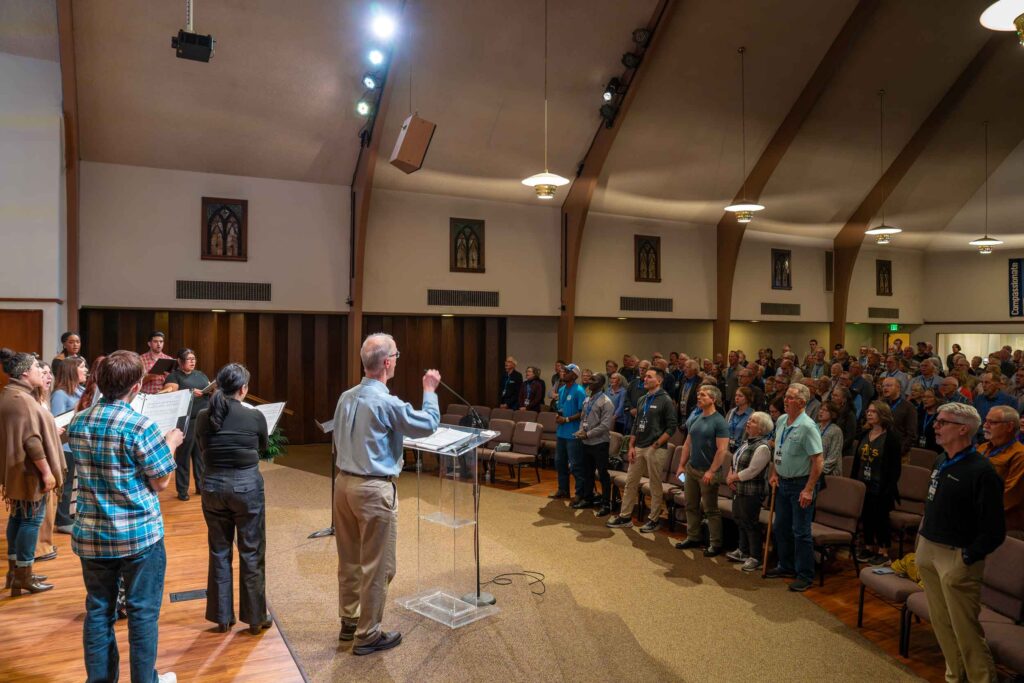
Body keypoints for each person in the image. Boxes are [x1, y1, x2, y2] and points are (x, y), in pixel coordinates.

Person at [68, 351, 183, 683]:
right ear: (136, 386)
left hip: (92, 534)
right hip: (138, 535)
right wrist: (171, 442)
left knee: (99, 611)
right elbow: (160, 481)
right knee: (142, 613)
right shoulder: (140, 425)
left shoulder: (80, 421)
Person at [332, 334, 440, 655]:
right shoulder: (387, 402)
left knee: (350, 559)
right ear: (388, 363)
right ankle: (368, 634)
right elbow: (429, 423)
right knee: (379, 566)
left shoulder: (345, 397)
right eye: (396, 354)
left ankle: (349, 621)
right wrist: (430, 391)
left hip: (343, 485)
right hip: (373, 488)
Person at [917, 402, 1005, 683]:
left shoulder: (982, 471)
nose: (936, 426)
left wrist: (968, 557)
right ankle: (954, 676)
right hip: (929, 549)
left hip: (957, 557)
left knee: (965, 630)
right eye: (937, 421)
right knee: (942, 625)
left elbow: (994, 530)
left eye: (943, 422)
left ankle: (981, 679)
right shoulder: (942, 460)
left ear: (963, 429)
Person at [196, 363, 270, 634]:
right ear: (243, 389)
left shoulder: (205, 416)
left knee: (219, 550)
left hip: (213, 488)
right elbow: (262, 448)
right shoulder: (255, 416)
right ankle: (254, 618)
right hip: (246, 488)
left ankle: (221, 617)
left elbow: (202, 448)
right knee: (251, 551)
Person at [1, 350, 62, 594]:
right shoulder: (22, 400)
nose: (42, 372)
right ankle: (24, 574)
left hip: (18, 470)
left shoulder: (11, 394)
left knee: (18, 518)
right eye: (38, 368)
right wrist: (47, 473)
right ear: (25, 373)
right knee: (30, 520)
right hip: (29, 472)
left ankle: (15, 573)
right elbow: (32, 441)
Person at [764, 383, 824, 592]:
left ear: (802, 402)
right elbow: (777, 450)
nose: (785, 401)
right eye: (786, 397)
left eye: (790, 398)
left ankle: (805, 575)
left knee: (800, 531)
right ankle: (786, 565)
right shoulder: (781, 420)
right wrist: (773, 472)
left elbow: (818, 461)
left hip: (801, 484)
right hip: (782, 482)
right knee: (781, 527)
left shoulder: (808, 426)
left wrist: (808, 489)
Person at [606, 368, 677, 532]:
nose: (644, 379)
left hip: (655, 449)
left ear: (658, 381)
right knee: (631, 482)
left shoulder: (665, 400)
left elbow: (671, 427)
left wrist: (656, 445)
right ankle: (625, 516)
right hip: (638, 447)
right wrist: (631, 446)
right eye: (645, 376)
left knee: (654, 485)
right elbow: (636, 424)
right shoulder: (642, 399)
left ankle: (654, 519)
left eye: (649, 377)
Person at [674, 384, 730, 556]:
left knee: (710, 508)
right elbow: (687, 444)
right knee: (690, 504)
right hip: (692, 469)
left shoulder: (719, 421)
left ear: (713, 399)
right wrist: (681, 465)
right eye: (698, 395)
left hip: (708, 472)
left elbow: (722, 450)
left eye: (703, 395)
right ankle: (693, 536)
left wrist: (712, 471)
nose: (699, 397)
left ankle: (715, 543)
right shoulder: (697, 418)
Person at [852, 402, 903, 565]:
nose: (869, 414)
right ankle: (868, 547)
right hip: (862, 483)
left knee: (880, 518)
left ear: (883, 414)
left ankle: (884, 551)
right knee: (866, 517)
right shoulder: (865, 433)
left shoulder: (892, 437)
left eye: (874, 411)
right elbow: (857, 460)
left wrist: (888, 487)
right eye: (868, 410)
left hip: (881, 485)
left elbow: (895, 467)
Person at [161, 348, 212, 501]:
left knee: (200, 456)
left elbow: (208, 387)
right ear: (180, 361)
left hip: (202, 420)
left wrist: (213, 389)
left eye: (194, 358)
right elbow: (169, 392)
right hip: (185, 421)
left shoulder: (201, 375)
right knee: (183, 457)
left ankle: (200, 487)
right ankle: (182, 490)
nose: (192, 361)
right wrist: (189, 391)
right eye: (189, 358)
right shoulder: (174, 376)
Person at [725, 411, 773, 571]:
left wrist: (734, 478)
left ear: (761, 429)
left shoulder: (763, 447)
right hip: (739, 488)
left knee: (750, 523)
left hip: (752, 491)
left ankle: (755, 557)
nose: (748, 423)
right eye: (749, 420)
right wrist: (730, 474)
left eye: (752, 421)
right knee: (739, 519)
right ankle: (742, 551)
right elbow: (735, 461)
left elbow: (753, 470)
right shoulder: (747, 442)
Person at [51, 356, 87, 533]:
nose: (86, 370)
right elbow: (57, 423)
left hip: (77, 444)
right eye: (82, 367)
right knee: (65, 487)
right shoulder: (60, 394)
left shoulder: (81, 390)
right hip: (65, 447)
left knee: (74, 487)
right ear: (72, 371)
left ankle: (70, 515)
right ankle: (63, 520)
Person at [977, 405, 1024, 536]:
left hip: (1001, 521)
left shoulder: (1020, 455)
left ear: (1009, 427)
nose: (985, 425)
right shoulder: (982, 447)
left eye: (992, 422)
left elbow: (1010, 496)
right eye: (985, 421)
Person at [574, 373, 614, 514]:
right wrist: (580, 431)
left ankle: (606, 504)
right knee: (587, 472)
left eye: (593, 380)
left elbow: (605, 426)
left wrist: (588, 434)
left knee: (603, 474)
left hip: (600, 443)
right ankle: (588, 498)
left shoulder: (606, 402)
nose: (589, 381)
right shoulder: (587, 399)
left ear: (601, 384)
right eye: (589, 378)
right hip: (586, 442)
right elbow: (583, 418)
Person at [551, 364, 587, 503]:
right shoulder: (561, 390)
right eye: (563, 371)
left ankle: (579, 493)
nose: (563, 373)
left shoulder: (579, 391)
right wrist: (558, 415)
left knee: (575, 465)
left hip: (573, 434)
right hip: (561, 433)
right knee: (559, 462)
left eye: (566, 371)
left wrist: (566, 419)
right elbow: (560, 407)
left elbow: (582, 413)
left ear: (574, 375)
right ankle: (563, 490)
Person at [881, 377, 917, 455]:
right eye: (883, 386)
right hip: (879, 448)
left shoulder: (909, 407)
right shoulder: (880, 404)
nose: (885, 388)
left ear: (898, 388)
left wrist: (901, 451)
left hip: (898, 451)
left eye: (889, 385)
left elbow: (911, 433)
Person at [816, 401, 844, 476]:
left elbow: (833, 458)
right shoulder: (815, 427)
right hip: (813, 469)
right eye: (820, 409)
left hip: (829, 473)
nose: (821, 411)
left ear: (833, 414)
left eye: (825, 410)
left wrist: (817, 469)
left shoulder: (836, 431)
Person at [724, 386, 753, 452]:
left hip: (742, 449)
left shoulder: (752, 415)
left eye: (740, 396)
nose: (737, 398)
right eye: (736, 395)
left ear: (747, 398)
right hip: (727, 447)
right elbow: (724, 429)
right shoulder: (731, 412)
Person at [918, 389, 941, 453]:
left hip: (935, 451)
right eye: (924, 397)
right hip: (918, 448)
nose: (925, 399)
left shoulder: (941, 416)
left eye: (929, 397)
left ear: (937, 399)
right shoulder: (919, 413)